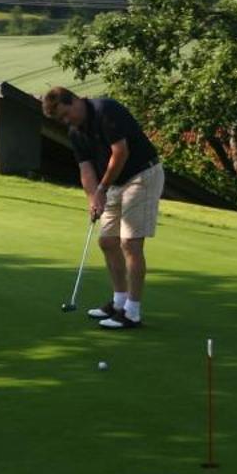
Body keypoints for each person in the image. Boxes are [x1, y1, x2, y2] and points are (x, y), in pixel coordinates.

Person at [41, 87, 163, 330]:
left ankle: (133, 311)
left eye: (66, 115)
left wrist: (102, 189)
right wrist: (92, 197)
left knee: (130, 243)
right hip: (114, 183)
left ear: (74, 101)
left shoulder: (105, 110)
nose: (67, 122)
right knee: (107, 241)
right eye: (61, 120)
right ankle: (119, 302)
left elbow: (121, 152)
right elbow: (86, 169)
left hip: (142, 175)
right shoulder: (76, 132)